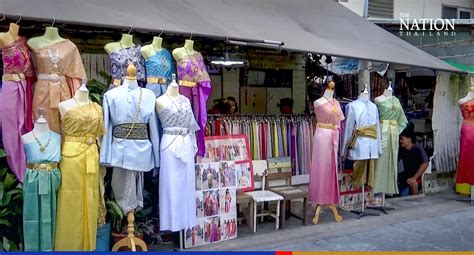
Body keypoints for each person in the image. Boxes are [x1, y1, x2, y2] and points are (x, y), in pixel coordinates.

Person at [398, 123, 429, 196]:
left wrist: (414, 178)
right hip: (405, 178)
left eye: (402, 139)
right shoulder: (402, 149)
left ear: (409, 139)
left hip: (416, 178)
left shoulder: (417, 149)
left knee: (413, 186)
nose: (400, 141)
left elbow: (425, 164)